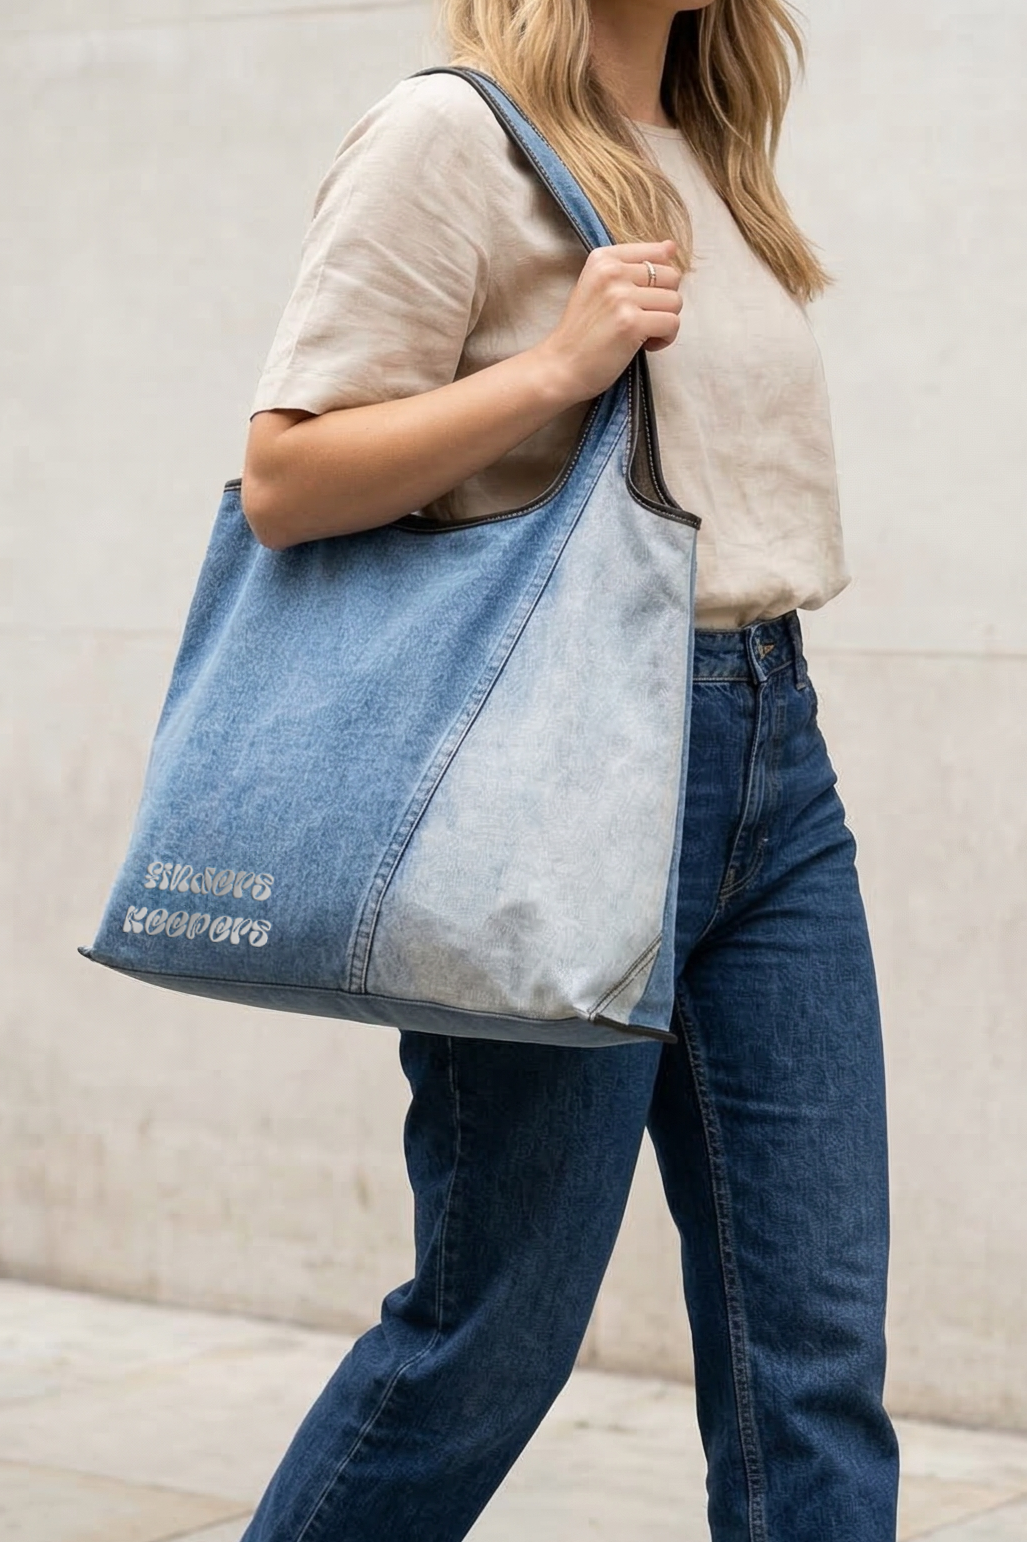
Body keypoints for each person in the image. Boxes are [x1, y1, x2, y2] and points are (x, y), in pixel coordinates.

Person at [239, 1, 900, 1537]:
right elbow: (285, 475)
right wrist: (556, 368)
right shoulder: (450, 135)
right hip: (559, 779)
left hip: (771, 758)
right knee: (491, 1337)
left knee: (812, 1354)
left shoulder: (713, 149)